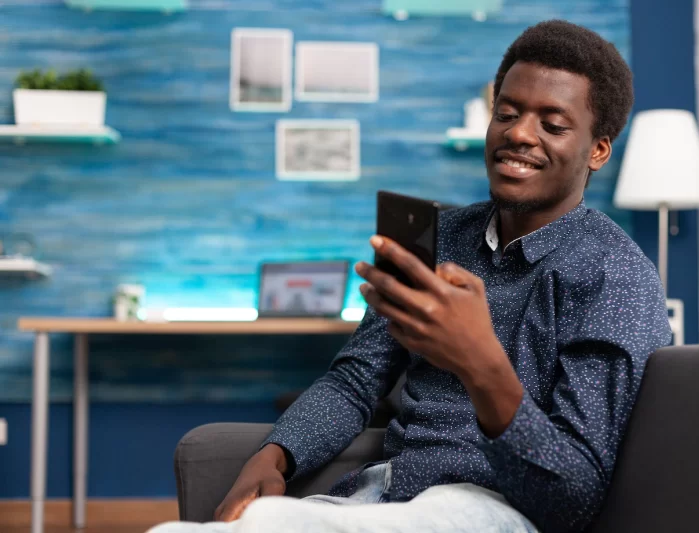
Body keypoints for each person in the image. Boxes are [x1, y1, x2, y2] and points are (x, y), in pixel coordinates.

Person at [150, 19, 671, 533]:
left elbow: (574, 495)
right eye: (506, 113)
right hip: (388, 495)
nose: (518, 134)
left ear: (598, 149)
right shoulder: (444, 237)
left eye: (552, 125)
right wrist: (275, 456)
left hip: (497, 508)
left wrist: (481, 364)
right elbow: (356, 380)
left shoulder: (617, 278)